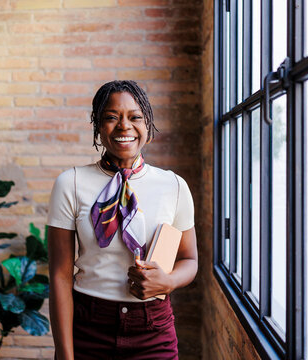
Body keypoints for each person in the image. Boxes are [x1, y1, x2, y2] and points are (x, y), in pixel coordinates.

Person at [47, 80, 198, 360]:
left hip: (153, 330)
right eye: (111, 118)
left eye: (135, 117)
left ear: (148, 125)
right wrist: (64, 354)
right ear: (97, 127)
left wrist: (168, 282)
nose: (124, 126)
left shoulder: (174, 186)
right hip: (88, 327)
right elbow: (59, 276)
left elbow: (190, 260)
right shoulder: (71, 183)